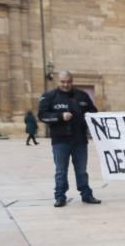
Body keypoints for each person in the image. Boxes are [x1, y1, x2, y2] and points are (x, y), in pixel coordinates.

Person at [37, 71, 101, 207]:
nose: (66, 84)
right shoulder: (49, 96)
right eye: (63, 82)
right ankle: (60, 196)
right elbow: (42, 116)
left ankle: (86, 194)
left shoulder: (82, 95)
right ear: (58, 81)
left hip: (80, 140)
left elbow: (94, 114)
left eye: (68, 82)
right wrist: (60, 117)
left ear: (72, 81)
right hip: (60, 141)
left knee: (82, 170)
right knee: (61, 170)